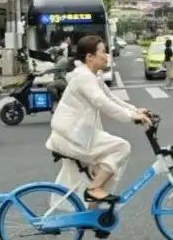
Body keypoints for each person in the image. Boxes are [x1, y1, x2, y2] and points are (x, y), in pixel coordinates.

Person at [46, 35, 151, 209]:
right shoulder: (84, 78)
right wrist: (131, 117)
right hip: (71, 135)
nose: (107, 56)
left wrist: (135, 110)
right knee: (121, 147)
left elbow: (110, 97)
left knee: (98, 169)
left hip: (78, 133)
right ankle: (94, 189)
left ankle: (95, 210)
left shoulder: (92, 75)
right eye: (103, 52)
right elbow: (102, 103)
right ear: (89, 57)